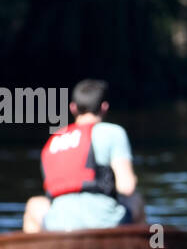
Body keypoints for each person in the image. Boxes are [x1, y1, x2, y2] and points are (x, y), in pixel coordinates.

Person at [22, 79, 145, 233]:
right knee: (135, 200)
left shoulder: (54, 139)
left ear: (73, 108)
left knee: (34, 204)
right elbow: (127, 187)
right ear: (104, 107)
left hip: (59, 225)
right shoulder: (113, 132)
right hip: (105, 223)